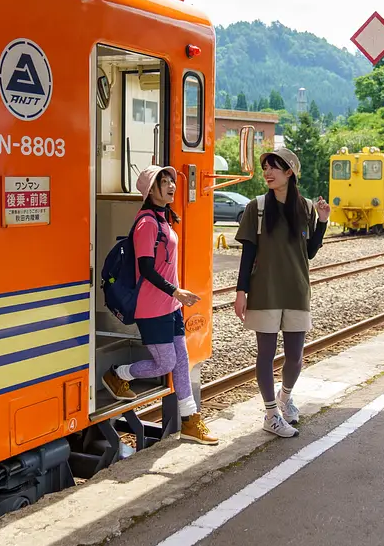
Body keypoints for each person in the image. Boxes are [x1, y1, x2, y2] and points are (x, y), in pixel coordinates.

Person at [103, 165, 217, 445]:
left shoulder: (163, 219)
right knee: (166, 362)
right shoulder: (147, 223)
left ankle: (190, 421)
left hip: (170, 307)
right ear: (150, 191)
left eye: (170, 181)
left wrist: (175, 297)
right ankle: (118, 374)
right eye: (162, 182)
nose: (171, 186)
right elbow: (146, 269)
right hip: (152, 308)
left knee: (182, 362)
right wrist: (176, 291)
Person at [233, 147, 330, 437]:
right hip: (265, 291)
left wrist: (323, 221)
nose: (268, 173)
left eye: (274, 167)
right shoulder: (257, 207)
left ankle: (285, 399)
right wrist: (241, 291)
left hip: (297, 291)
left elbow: (309, 252)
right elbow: (248, 253)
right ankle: (271, 414)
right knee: (265, 354)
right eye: (265, 168)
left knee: (295, 357)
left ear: (290, 173)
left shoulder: (306, 208)